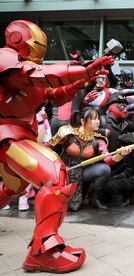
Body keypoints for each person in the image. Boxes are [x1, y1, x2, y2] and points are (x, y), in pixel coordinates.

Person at [0, 20, 112, 272]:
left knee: (12, 186)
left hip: (16, 134)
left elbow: (52, 93)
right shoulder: (7, 60)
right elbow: (39, 76)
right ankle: (44, 251)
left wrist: (80, 82)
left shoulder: (27, 73)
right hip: (7, 134)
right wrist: (83, 70)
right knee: (56, 178)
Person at [48, 107, 130, 210]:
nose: (98, 122)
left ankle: (94, 198)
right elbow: (48, 147)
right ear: (83, 121)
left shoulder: (99, 140)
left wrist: (121, 154)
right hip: (63, 171)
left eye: (98, 119)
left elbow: (108, 160)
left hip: (84, 171)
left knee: (104, 169)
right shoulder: (66, 132)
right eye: (94, 119)